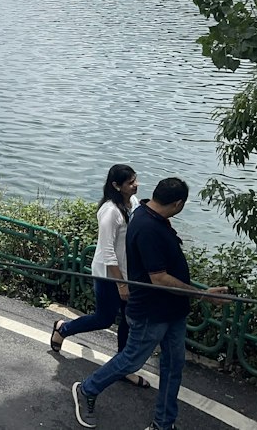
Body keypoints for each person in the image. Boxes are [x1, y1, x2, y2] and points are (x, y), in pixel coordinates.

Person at [71, 177, 229, 430]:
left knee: (173, 364)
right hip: (151, 311)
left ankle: (163, 423)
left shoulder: (148, 213)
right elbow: (159, 278)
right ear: (178, 203)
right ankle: (87, 389)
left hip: (173, 310)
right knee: (131, 360)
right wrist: (202, 294)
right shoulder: (147, 227)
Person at [51, 164, 149, 388]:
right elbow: (107, 252)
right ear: (116, 186)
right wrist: (121, 285)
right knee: (104, 318)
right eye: (131, 182)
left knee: (128, 321)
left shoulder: (131, 203)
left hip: (128, 274)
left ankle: (124, 366)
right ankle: (62, 329)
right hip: (109, 276)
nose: (136, 185)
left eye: (136, 180)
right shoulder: (110, 211)